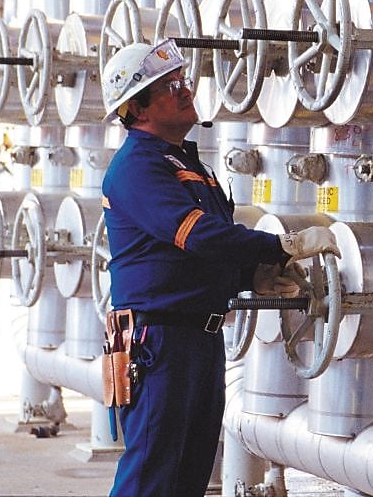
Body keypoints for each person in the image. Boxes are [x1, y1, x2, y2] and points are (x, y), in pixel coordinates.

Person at [99, 38, 338, 497]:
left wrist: (251, 278)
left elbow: (199, 257)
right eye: (169, 86)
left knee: (187, 477)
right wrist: (281, 247)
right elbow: (199, 236)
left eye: (181, 79)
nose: (185, 90)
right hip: (158, 343)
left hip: (199, 338)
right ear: (138, 108)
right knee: (152, 478)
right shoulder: (137, 168)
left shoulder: (189, 165)